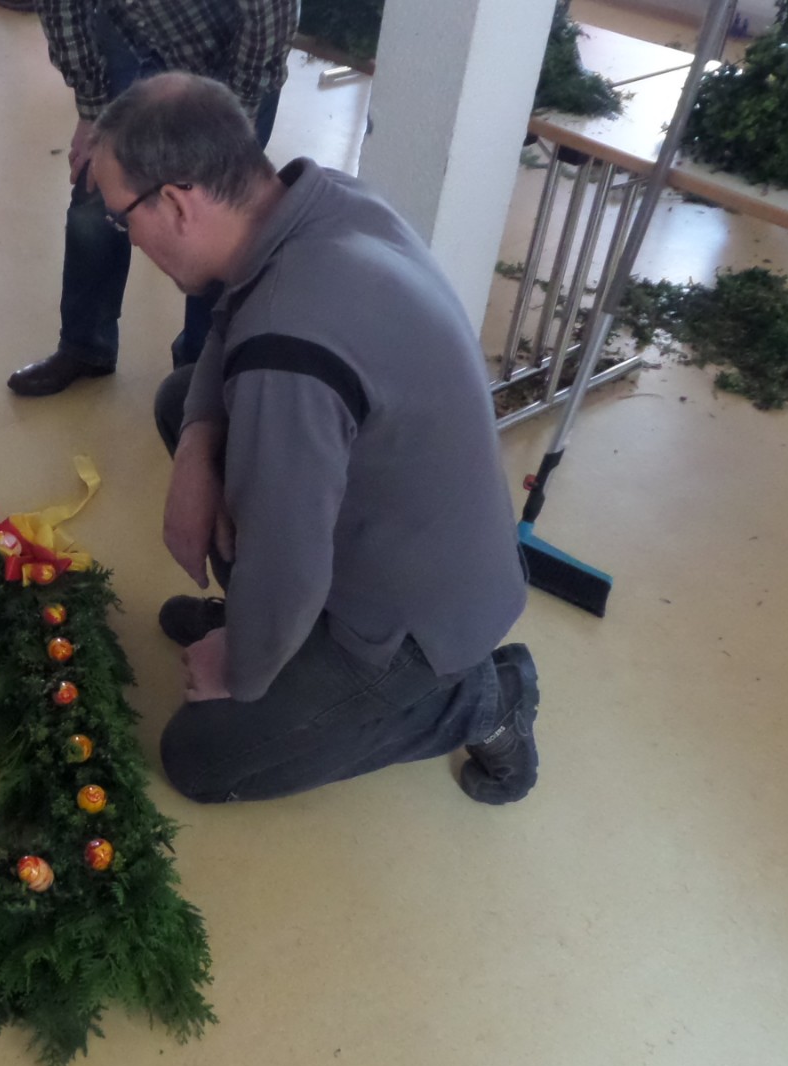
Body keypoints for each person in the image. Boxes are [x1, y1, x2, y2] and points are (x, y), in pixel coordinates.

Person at [90, 73, 542, 804]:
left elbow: (288, 555)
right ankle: (275, 632)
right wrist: (198, 448)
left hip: (414, 625)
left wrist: (242, 664)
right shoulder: (317, 201)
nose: (128, 237)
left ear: (174, 202)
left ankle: (482, 698)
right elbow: (236, 313)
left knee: (200, 758)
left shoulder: (286, 346)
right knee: (185, 401)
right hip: (413, 544)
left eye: (122, 219)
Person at [7, 0, 297, 397]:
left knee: (214, 213)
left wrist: (237, 116)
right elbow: (62, 9)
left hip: (232, 52)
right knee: (96, 185)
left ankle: (201, 372)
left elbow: (270, 17)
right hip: (130, 36)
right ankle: (85, 346)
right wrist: (92, 111)